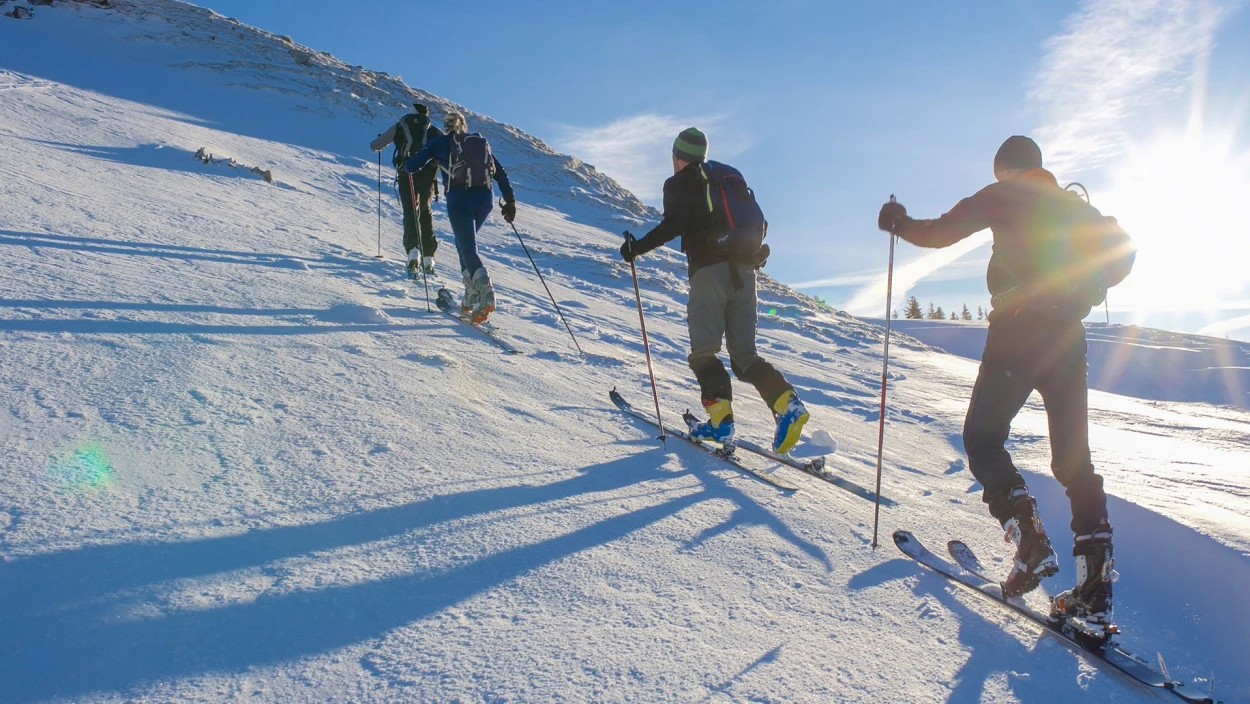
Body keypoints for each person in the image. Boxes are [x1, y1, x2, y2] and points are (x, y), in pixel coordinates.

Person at [877, 135, 1135, 628]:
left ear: (1008, 170)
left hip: (1019, 328)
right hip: (1067, 339)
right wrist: (1094, 281)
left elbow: (940, 232)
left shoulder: (1005, 194)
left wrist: (899, 223)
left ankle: (1031, 543)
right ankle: (1095, 587)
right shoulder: (1077, 209)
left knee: (982, 438)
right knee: (1073, 462)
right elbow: (1124, 253)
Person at [620, 127, 810, 454]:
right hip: (745, 273)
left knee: (704, 354)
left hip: (710, 274)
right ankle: (788, 405)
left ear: (678, 157)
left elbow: (673, 224)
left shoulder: (680, 182)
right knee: (745, 358)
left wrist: (636, 248)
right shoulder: (726, 179)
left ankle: (721, 424)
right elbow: (758, 224)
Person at [403, 111, 517, 323]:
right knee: (462, 243)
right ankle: (471, 295)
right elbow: (499, 172)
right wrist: (509, 202)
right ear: (463, 126)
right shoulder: (479, 143)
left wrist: (407, 161)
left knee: (467, 247)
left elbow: (411, 166)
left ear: (446, 126)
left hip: (459, 198)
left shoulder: (440, 142)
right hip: (485, 198)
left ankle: (485, 293)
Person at [370, 103, 443, 276]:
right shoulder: (433, 129)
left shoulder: (401, 125)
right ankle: (429, 257)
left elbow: (375, 145)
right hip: (427, 175)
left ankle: (412, 252)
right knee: (425, 211)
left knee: (410, 210)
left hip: (406, 172)